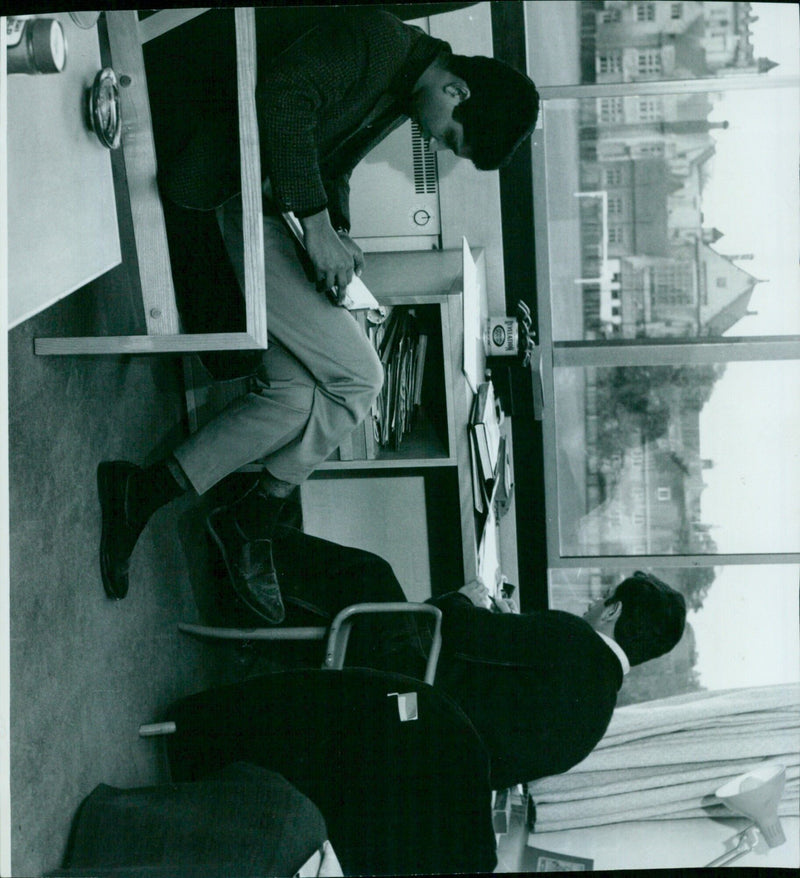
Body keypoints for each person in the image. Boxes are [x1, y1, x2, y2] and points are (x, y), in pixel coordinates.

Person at [98, 8, 540, 624]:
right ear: (456, 90)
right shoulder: (379, 42)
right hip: (227, 184)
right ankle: (254, 516)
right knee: (363, 378)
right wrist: (314, 225)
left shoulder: (404, 84)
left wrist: (339, 232)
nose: (439, 144)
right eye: (453, 136)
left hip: (260, 198)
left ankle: (142, 491)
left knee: (295, 396)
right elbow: (282, 100)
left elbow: (334, 163)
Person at [263, 529, 687, 791]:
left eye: (604, 597)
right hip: (410, 753)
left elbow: (460, 630)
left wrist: (464, 599)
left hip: (403, 692)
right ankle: (270, 642)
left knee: (371, 574)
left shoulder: (576, 639)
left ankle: (251, 544)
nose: (595, 601)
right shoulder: (593, 728)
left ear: (612, 612)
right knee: (382, 618)